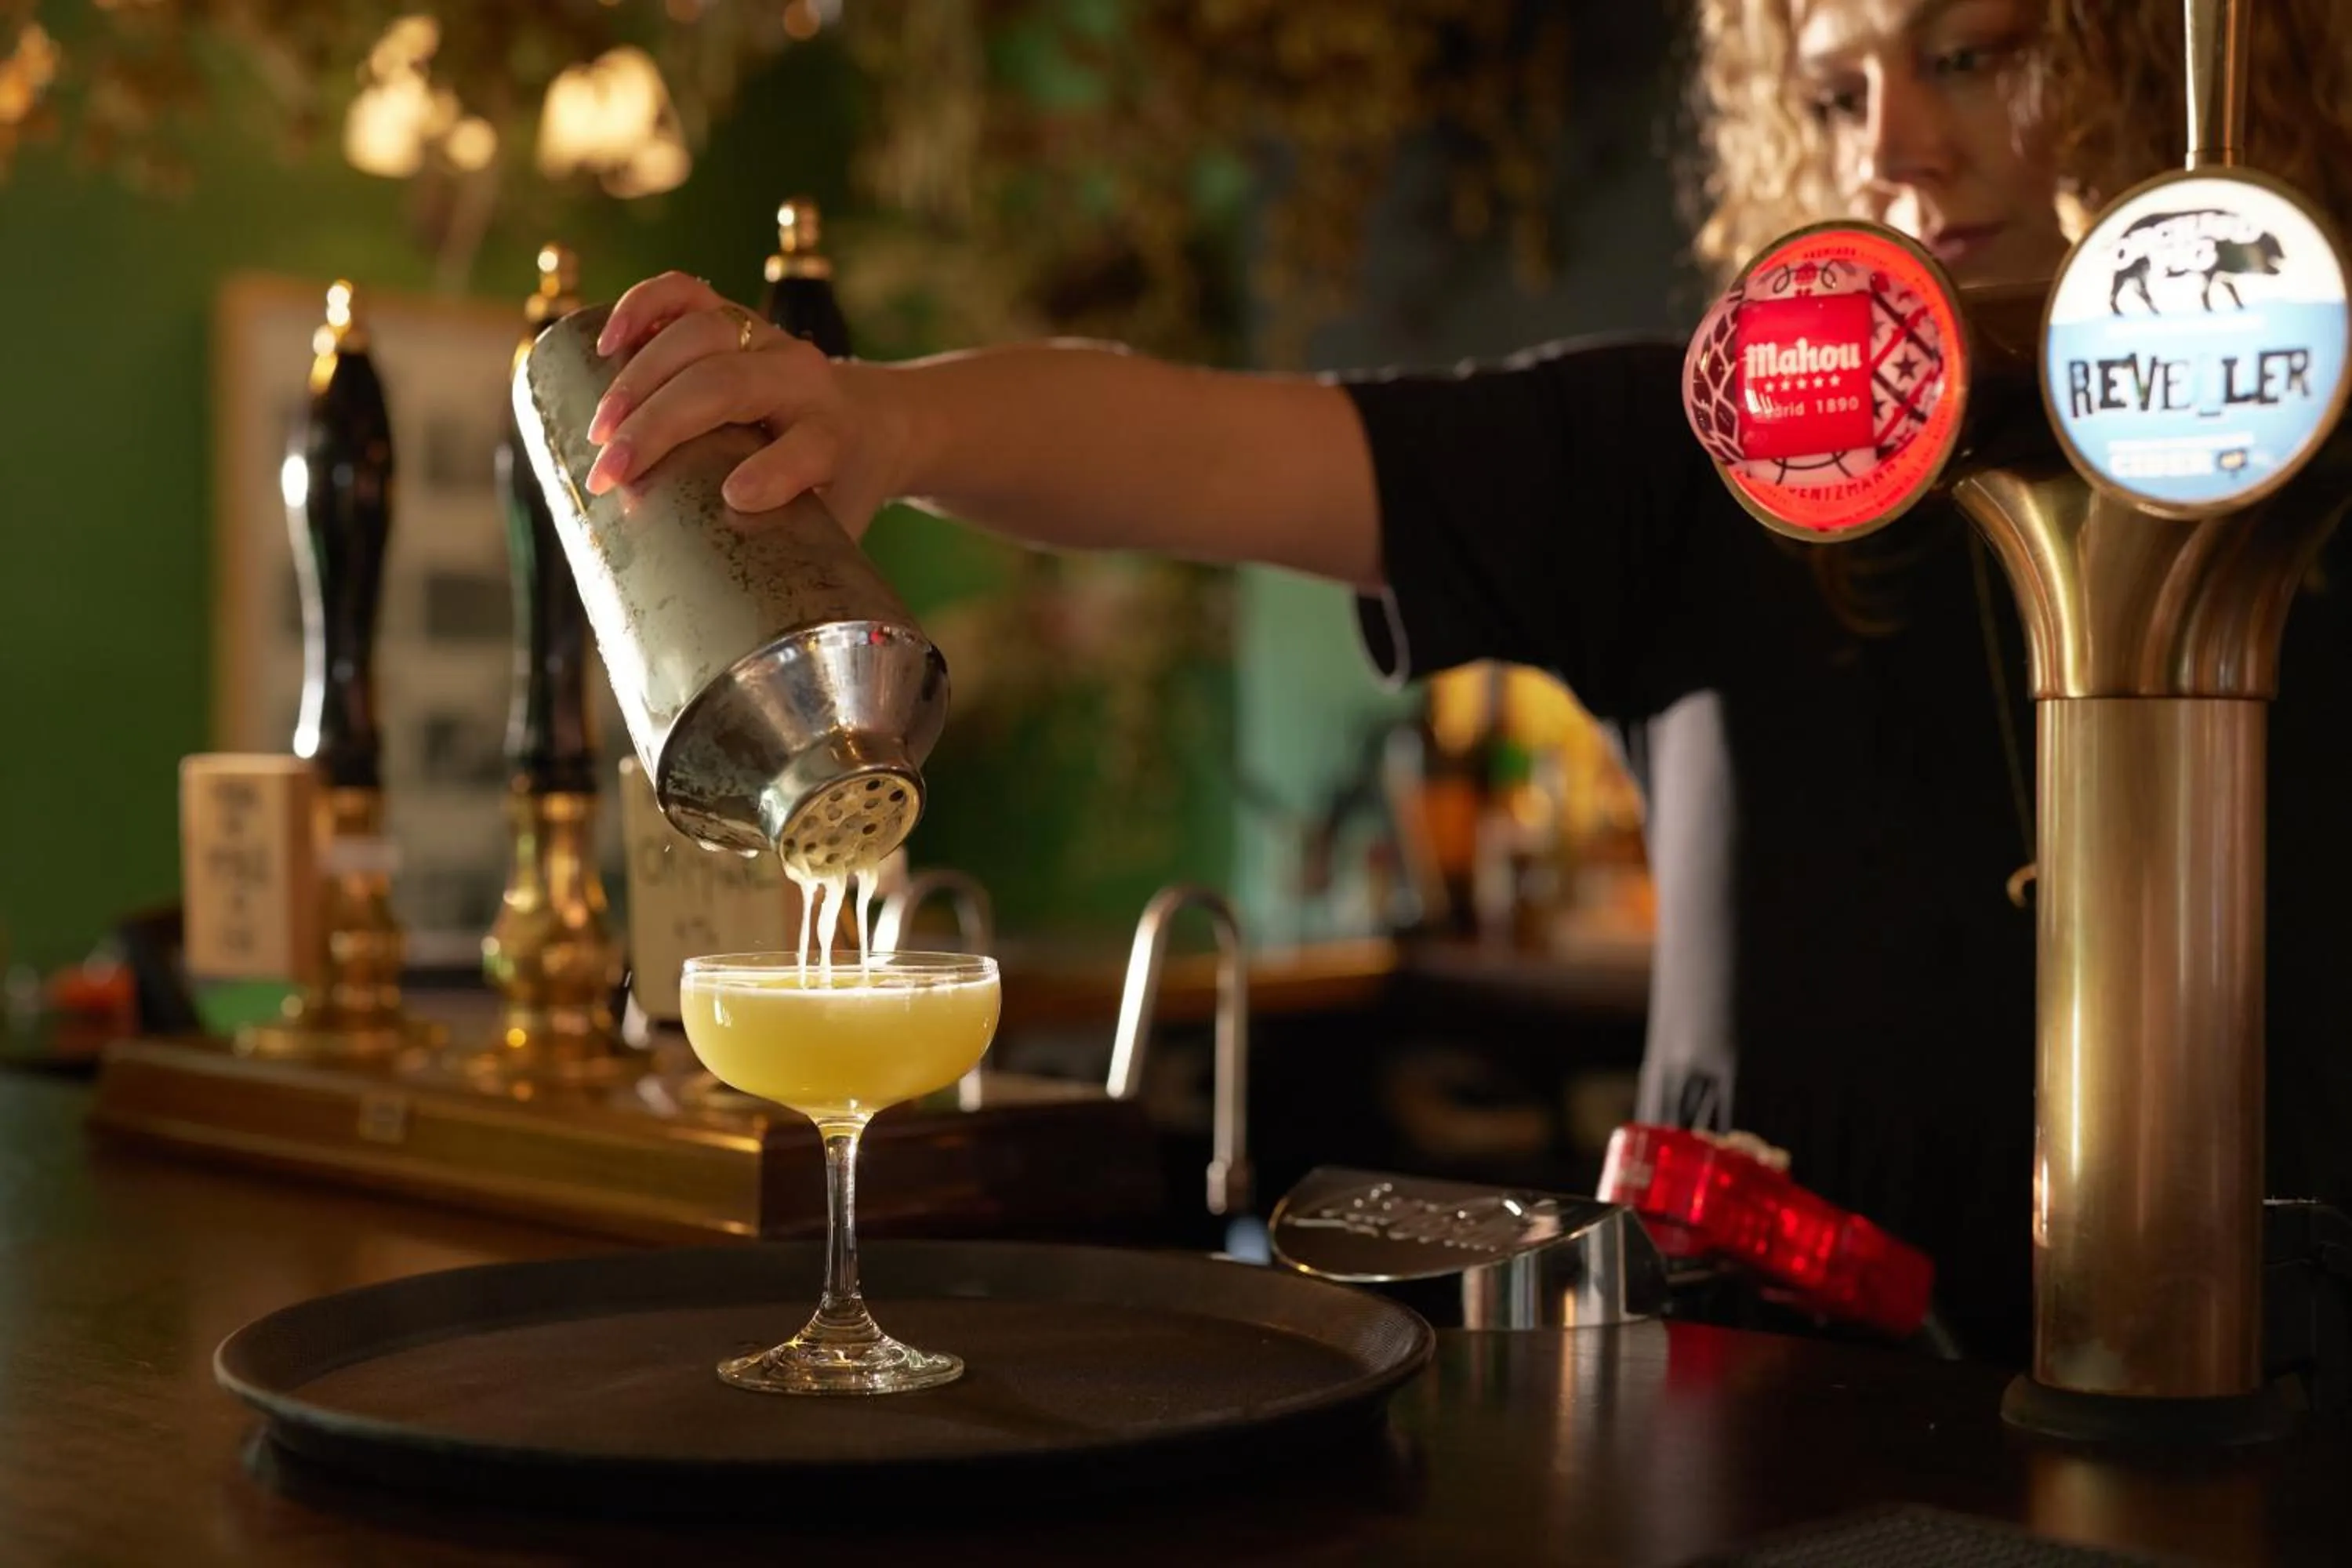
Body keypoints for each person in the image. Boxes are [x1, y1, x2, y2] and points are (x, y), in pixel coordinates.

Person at [577, 0, 2352, 1365]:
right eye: (1830, 88)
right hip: (1771, 1402)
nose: (1898, 141)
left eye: (1975, 50)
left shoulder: (2307, 453)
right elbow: (1209, 450)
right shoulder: (1712, 461)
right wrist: (895, 417)